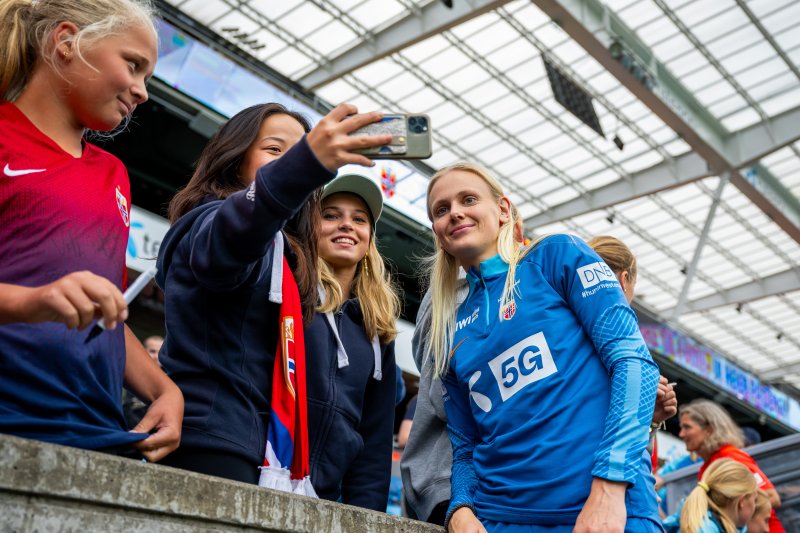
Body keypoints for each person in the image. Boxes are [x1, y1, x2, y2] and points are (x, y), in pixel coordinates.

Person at [156, 102, 391, 484]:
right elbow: (232, 236)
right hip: (211, 442)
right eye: (275, 150)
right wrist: (306, 163)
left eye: (297, 154)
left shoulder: (284, 252)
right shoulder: (211, 218)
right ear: (234, 158)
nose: (290, 163)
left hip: (257, 452)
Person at [425, 162, 661, 532]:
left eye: (468, 199)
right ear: (438, 232)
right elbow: (466, 447)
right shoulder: (451, 331)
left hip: (605, 510)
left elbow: (633, 363)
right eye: (441, 210)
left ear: (503, 210)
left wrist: (609, 486)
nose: (455, 212)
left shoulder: (556, 257)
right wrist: (460, 508)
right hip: (503, 520)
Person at [0, 0, 182, 462]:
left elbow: (104, 313)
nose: (142, 92)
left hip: (100, 431)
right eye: (134, 65)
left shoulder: (113, 174)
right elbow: (53, 298)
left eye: (148, 78)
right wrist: (33, 301)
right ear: (66, 42)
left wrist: (163, 390)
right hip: (13, 420)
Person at [304, 173, 401, 510]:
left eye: (359, 219)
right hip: (264, 474)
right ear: (310, 228)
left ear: (369, 238)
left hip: (329, 500)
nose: (346, 225)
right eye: (331, 215)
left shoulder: (379, 331)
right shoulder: (289, 295)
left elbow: (375, 444)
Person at [679, 399, 784, 532]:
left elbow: (772, 496)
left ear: (709, 429)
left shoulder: (731, 457)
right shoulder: (709, 465)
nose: (681, 434)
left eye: (687, 427)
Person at [663, 458, 757, 533]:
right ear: (742, 501)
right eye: (754, 500)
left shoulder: (706, 524)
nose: (754, 506)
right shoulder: (704, 529)